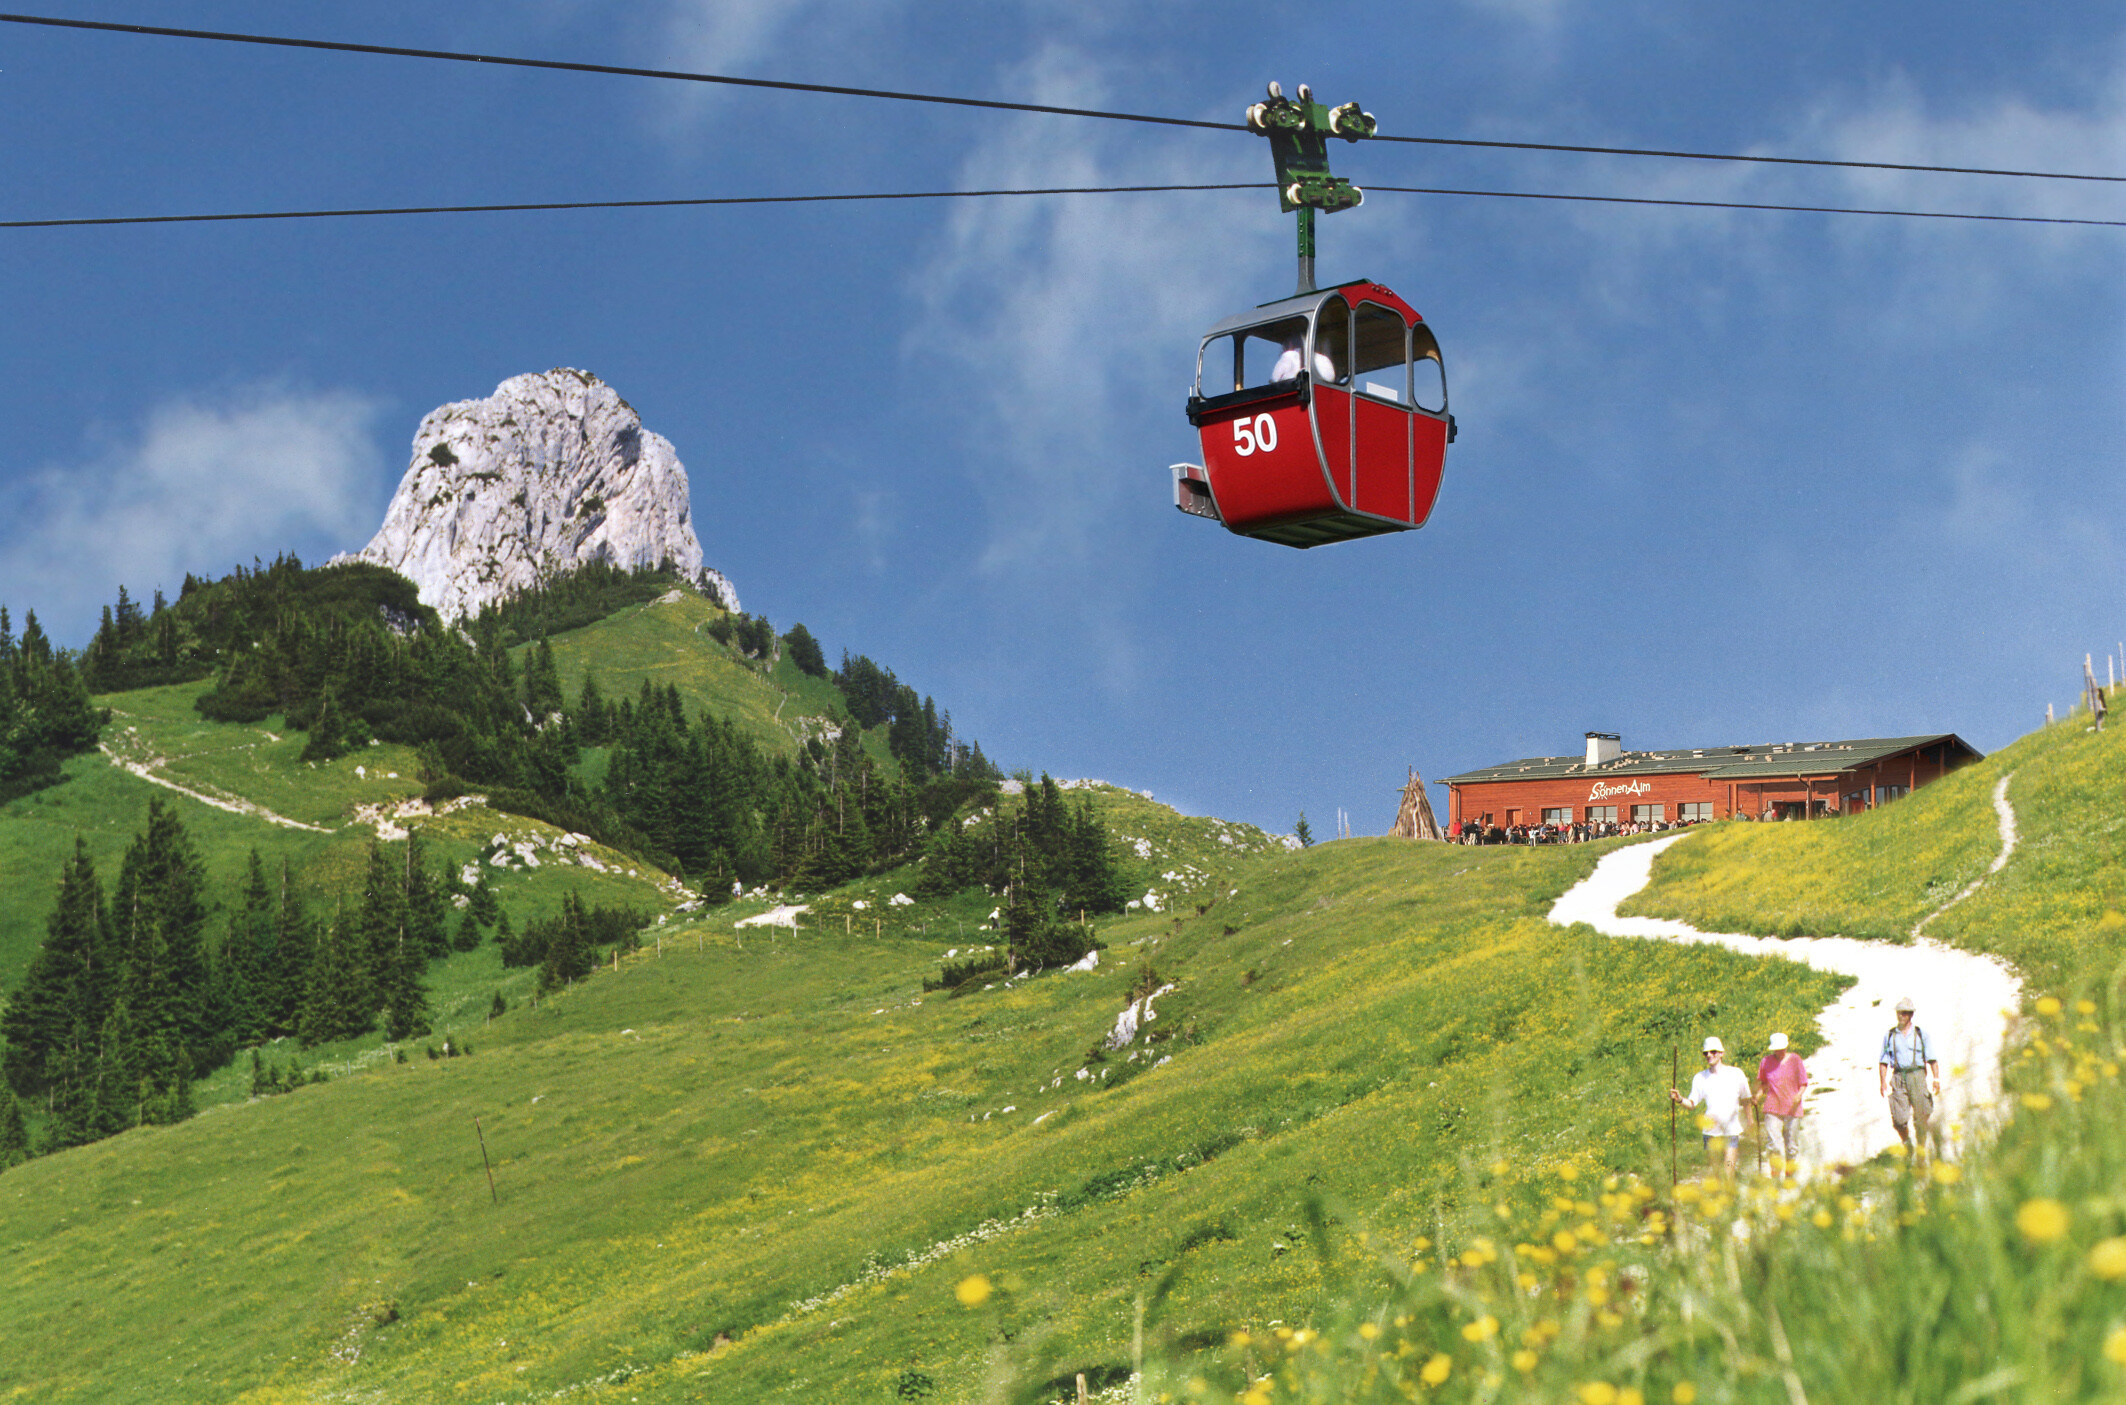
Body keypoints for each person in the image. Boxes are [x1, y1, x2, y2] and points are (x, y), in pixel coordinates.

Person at [1672, 1036, 1751, 1179]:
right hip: (1711, 1133)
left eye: (1713, 1051)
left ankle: (1729, 1197)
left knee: (1728, 1171)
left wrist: (1750, 1121)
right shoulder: (1700, 1078)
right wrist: (1679, 1099)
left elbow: (1746, 1099)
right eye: (1705, 1053)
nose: (1709, 1055)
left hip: (1731, 1131)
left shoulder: (1736, 1074)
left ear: (1721, 1053)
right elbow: (1692, 1104)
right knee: (1716, 1173)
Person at [1879, 997, 1941, 1161]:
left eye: (1906, 1013)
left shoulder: (1921, 1034)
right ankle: (1907, 1143)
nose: (1902, 1016)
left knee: (1922, 1114)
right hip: (1899, 1076)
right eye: (1900, 1013)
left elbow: (1932, 1058)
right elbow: (1884, 1060)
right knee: (1898, 1119)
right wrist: (1883, 1081)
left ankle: (1921, 1148)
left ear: (1911, 1015)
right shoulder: (1890, 1035)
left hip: (1917, 1075)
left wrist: (1936, 1078)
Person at [1756, 1032, 1808, 1178]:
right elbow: (1764, 1083)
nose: (1779, 1051)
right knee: (1774, 1144)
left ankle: (1790, 1176)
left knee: (1791, 1146)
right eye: (1776, 1048)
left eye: (1781, 1048)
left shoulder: (1795, 1060)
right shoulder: (1766, 1062)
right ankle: (1775, 1175)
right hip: (1773, 1107)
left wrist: (1799, 1095)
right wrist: (1758, 1096)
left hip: (1792, 1107)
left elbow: (1803, 1082)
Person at [1269, 332, 1337, 383]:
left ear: (1290, 343)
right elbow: (1331, 378)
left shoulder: (1288, 355)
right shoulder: (1324, 359)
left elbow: (1274, 379)